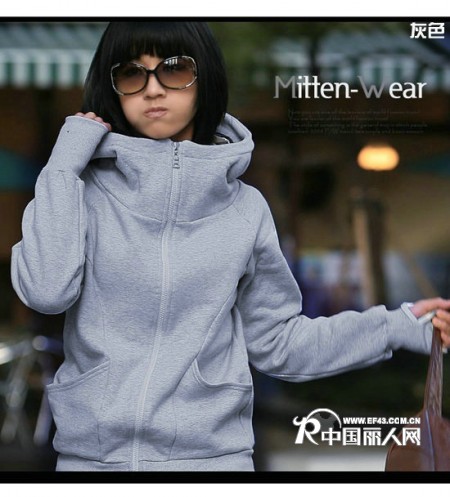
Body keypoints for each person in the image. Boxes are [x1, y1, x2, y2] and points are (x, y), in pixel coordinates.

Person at [10, 21, 450, 472]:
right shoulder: (80, 192)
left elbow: (279, 342)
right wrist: (62, 168)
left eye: (174, 69)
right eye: (131, 73)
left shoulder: (245, 209)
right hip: (90, 463)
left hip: (212, 463)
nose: (153, 89)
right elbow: (47, 291)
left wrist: (397, 326)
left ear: (205, 79)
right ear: (113, 87)